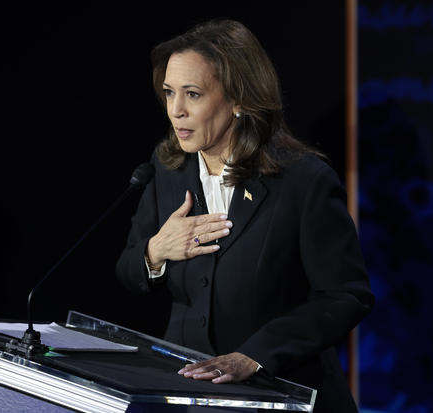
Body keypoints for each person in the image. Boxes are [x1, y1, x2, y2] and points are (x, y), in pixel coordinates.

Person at [116, 19, 374, 412]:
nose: (176, 111)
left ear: (239, 99)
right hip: (185, 396)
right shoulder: (167, 169)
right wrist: (155, 252)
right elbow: (127, 270)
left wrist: (253, 356)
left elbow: (346, 295)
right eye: (169, 93)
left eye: (193, 94)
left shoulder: (303, 180)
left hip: (281, 393)